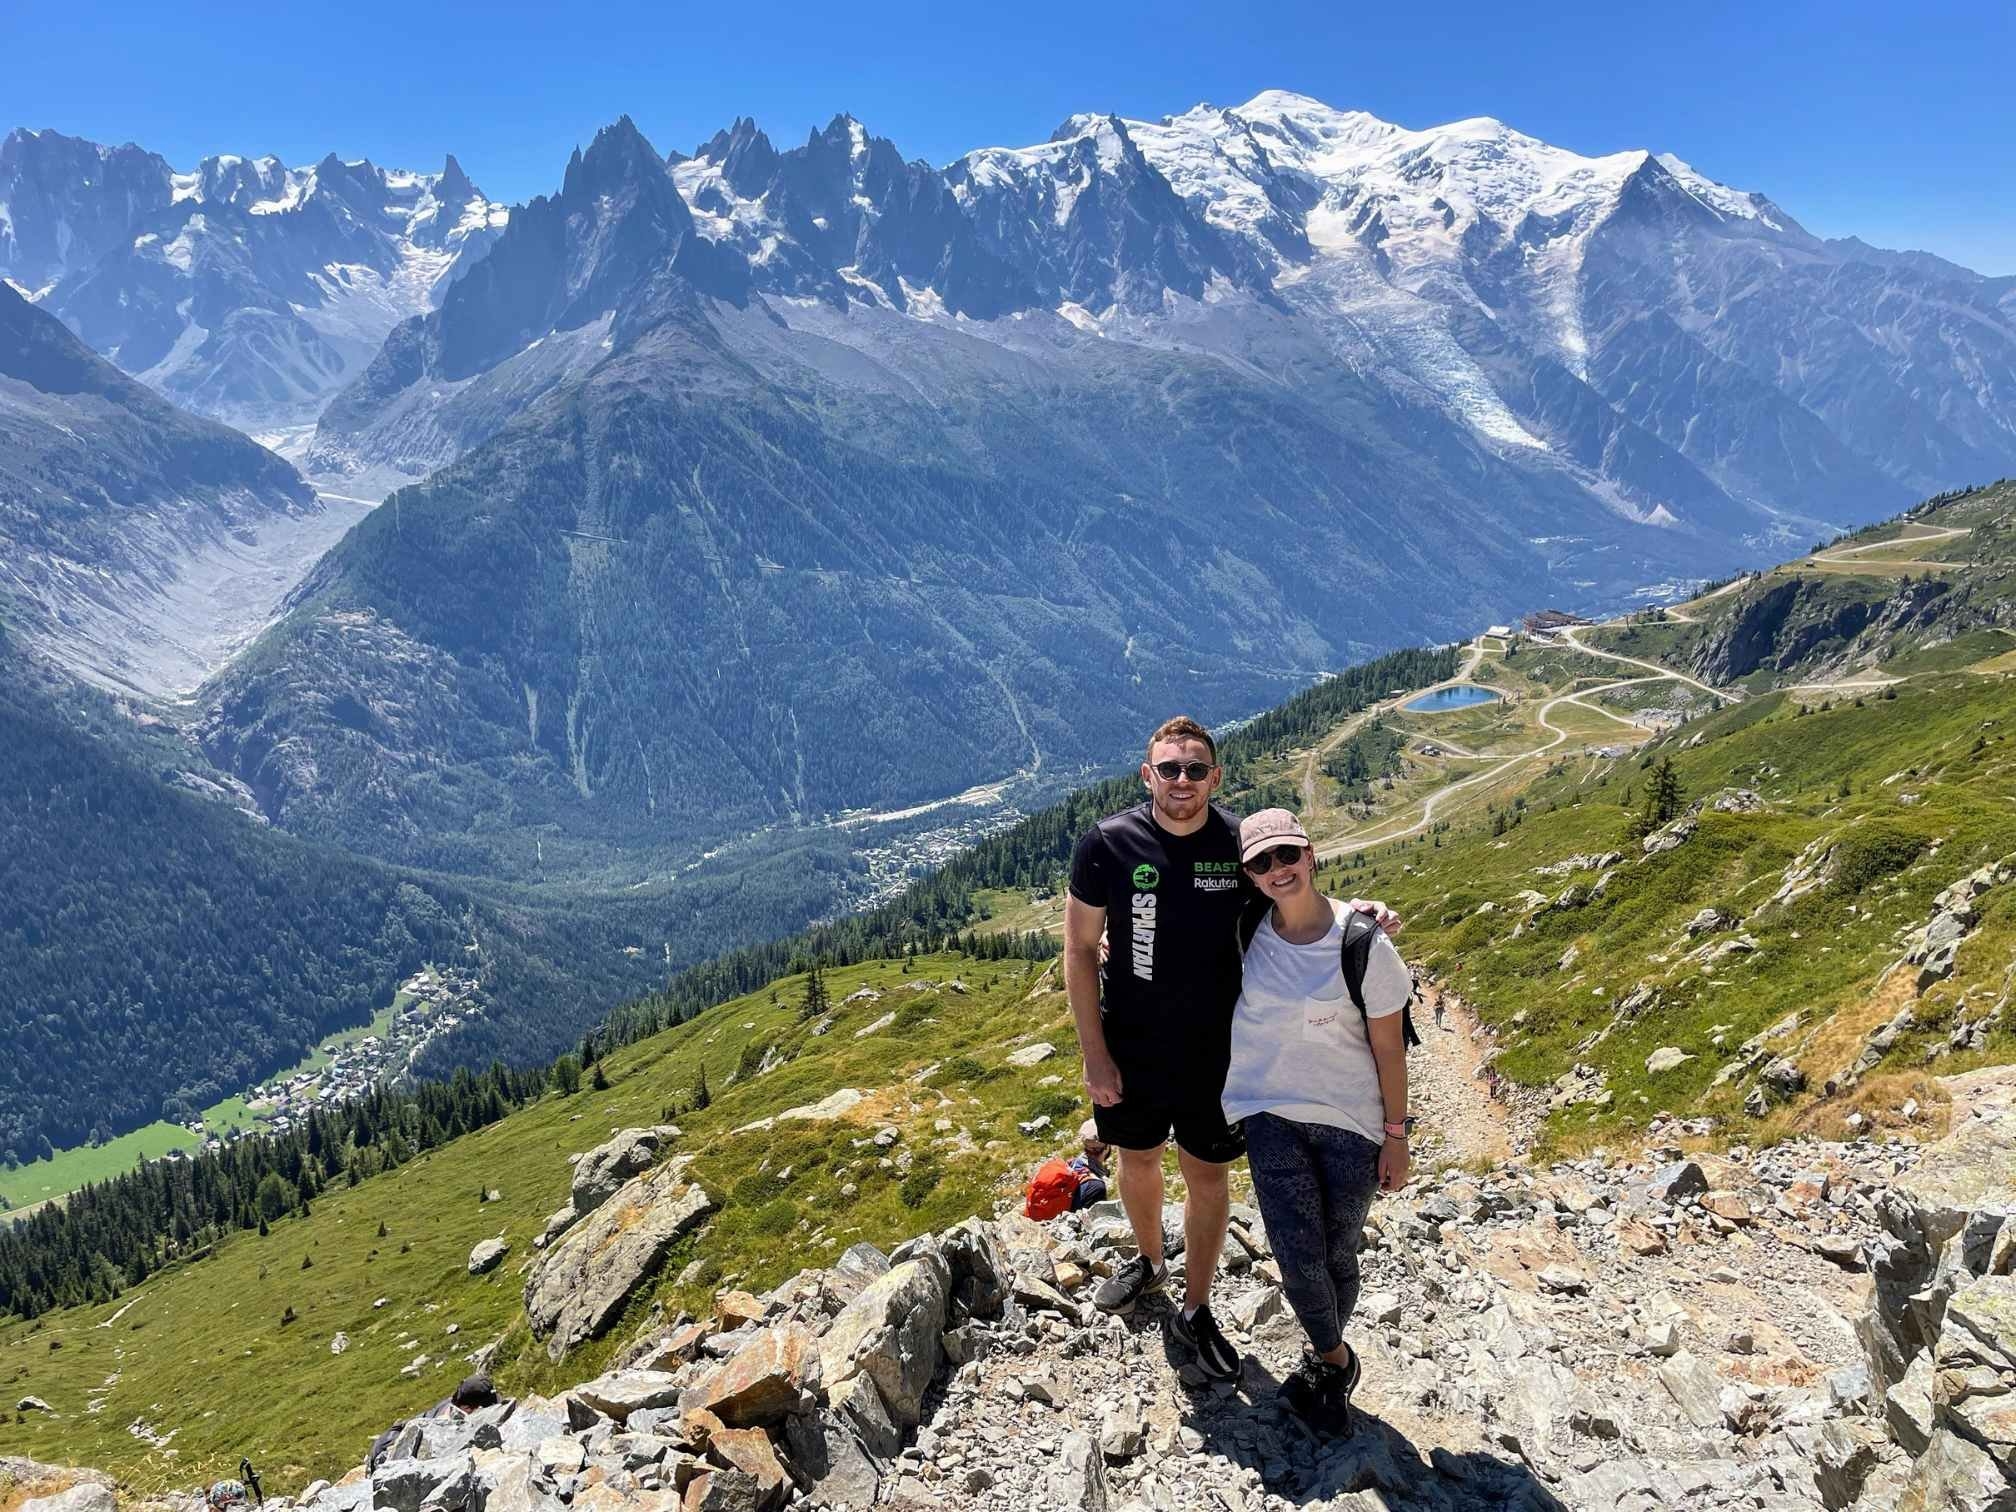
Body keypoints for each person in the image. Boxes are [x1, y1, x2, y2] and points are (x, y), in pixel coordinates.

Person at [1065, 717, 1393, 1383]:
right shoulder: (1108, 843)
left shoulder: (1240, 843)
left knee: (1207, 1175)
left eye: (1194, 769)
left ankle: (1196, 1304)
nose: (1181, 781)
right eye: (1168, 769)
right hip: (1130, 1042)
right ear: (1146, 775)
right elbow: (1077, 949)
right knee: (1139, 1160)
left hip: (1222, 1049)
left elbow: (1293, 896)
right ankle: (1152, 1261)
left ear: (1215, 777)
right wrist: (1094, 1056)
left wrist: (1359, 915)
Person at [1221, 808, 1413, 1438]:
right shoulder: (1246, 928)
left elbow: (1390, 1050)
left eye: (1286, 856)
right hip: (1270, 1113)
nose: (1277, 871)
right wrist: (1109, 937)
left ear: (1310, 854)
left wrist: (1397, 1138)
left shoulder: (1362, 942)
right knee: (1297, 1254)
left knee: (1337, 1252)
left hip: (1351, 1124)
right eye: (1260, 862)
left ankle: (1327, 1361)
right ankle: (1337, 1358)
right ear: (1248, 875)